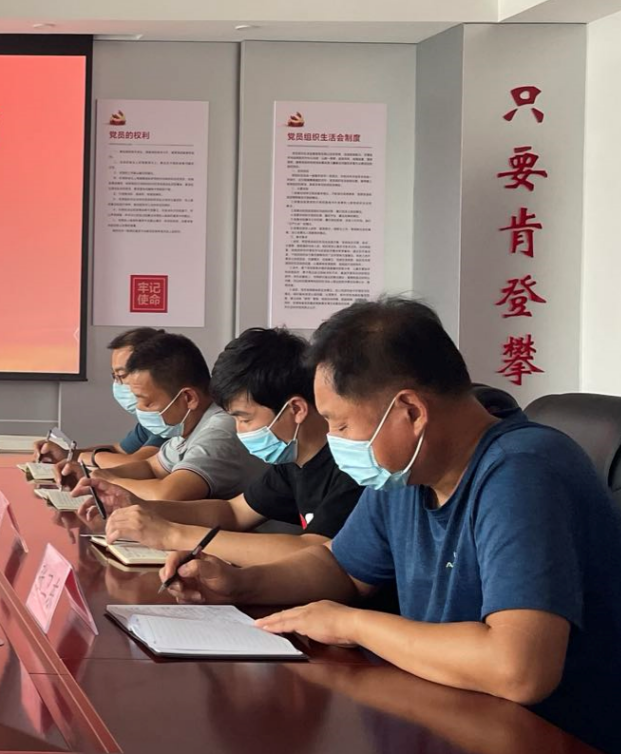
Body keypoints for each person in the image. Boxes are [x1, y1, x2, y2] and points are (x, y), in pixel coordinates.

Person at [162, 297, 621, 754]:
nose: (334, 441)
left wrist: (352, 624)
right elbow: (341, 568)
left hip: (545, 737)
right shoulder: (407, 472)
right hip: (446, 714)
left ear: (411, 412)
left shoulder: (522, 472)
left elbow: (518, 670)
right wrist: (239, 584)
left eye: (341, 425)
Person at [77, 327, 363, 566]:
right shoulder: (292, 461)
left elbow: (314, 551)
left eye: (245, 419)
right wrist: (138, 505)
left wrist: (173, 535)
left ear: (296, 409)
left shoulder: (351, 467)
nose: (238, 430)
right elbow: (232, 512)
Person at [79, 332, 264, 501]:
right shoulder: (187, 427)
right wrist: (95, 475)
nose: (139, 408)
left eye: (147, 402)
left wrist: (108, 481)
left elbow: (167, 494)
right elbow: (151, 467)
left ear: (188, 398)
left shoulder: (220, 429)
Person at [34, 327, 165, 466]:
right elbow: (119, 450)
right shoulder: (149, 421)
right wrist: (67, 455)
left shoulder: (168, 422)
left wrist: (84, 458)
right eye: (114, 376)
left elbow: (135, 463)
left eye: (121, 375)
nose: (118, 384)